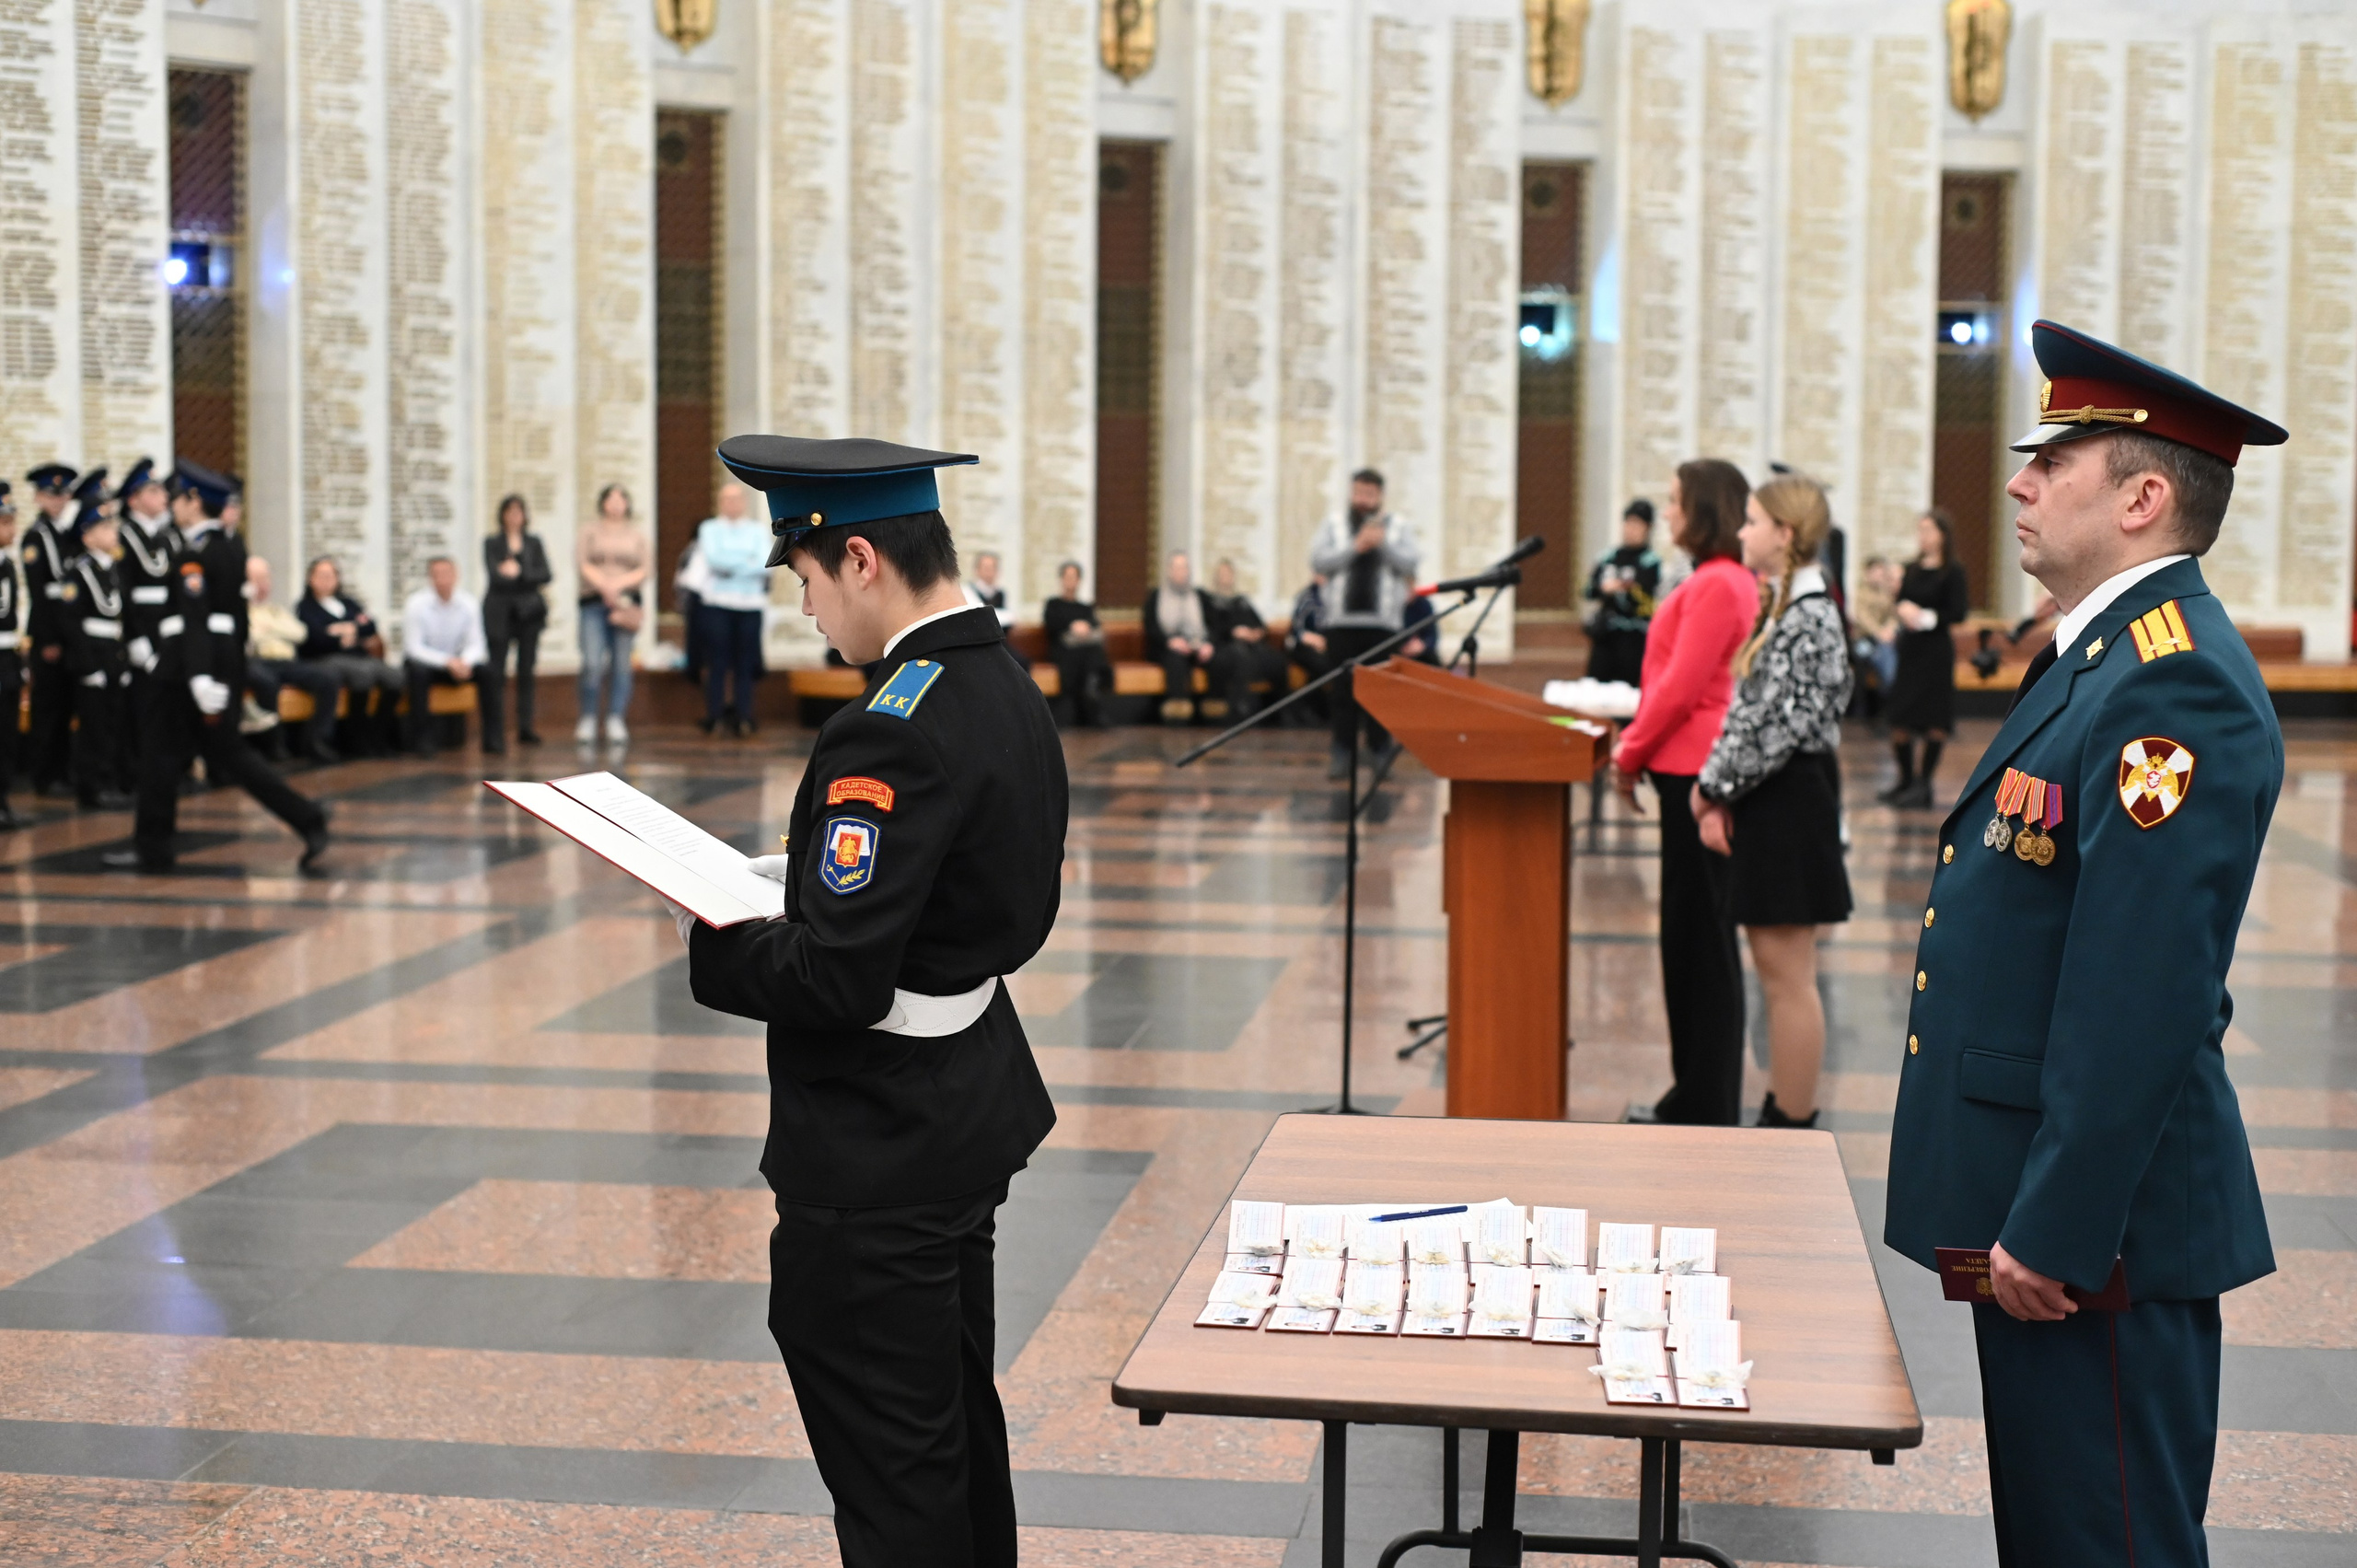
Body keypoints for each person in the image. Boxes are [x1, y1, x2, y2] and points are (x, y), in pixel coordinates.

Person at [1887, 320, 2288, 1566]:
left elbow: (2141, 992)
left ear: (2142, 497)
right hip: (2051, 1215)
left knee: (2109, 1541)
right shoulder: (2103, 656)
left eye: (2052, 460)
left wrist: (2055, 1226)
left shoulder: (2172, 683)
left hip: (2089, 1236)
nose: (2019, 480)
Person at [685, 432, 1063, 1568]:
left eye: (802, 578)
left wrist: (716, 928)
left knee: (893, 1473)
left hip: (877, 1146)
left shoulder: (889, 725)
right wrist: (794, 884)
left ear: (859, 559)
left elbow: (838, 977)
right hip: (960, 1111)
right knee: (948, 1432)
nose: (804, 608)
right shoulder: (995, 677)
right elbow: (965, 897)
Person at [1690, 473, 1853, 1130]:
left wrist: (1711, 788)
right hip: (1775, 796)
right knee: (1776, 972)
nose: (1742, 532)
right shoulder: (1791, 607)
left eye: (1753, 521)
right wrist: (1722, 786)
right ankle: (1783, 1108)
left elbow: (1774, 729)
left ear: (1784, 535)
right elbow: (1752, 712)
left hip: (1790, 800)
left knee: (1787, 979)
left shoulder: (1809, 616)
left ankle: (1791, 1120)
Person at [1609, 458, 1757, 1128]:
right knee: (1691, 939)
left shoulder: (1719, 584)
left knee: (1701, 943)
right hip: (1688, 767)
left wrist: (1628, 751)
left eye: (1674, 501)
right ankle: (1691, 1093)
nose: (1666, 512)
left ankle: (1703, 1101)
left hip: (1693, 770)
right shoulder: (1714, 580)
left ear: (1702, 509)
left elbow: (1680, 687)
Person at [108, 462, 329, 874]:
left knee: (169, 755)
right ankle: (305, 817)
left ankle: (153, 848)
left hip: (185, 671)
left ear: (194, 502)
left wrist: (199, 677)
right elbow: (231, 622)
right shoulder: (230, 546)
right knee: (213, 755)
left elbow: (196, 621)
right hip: (210, 666)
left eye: (178, 498)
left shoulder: (198, 553)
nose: (173, 505)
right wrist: (230, 670)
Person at [1309, 468, 1421, 778]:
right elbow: (1318, 561)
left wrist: (1381, 544)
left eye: (1369, 494)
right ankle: (1342, 753)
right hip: (1341, 623)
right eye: (1358, 492)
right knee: (1343, 691)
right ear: (1351, 493)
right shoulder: (1333, 524)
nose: (1363, 499)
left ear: (1380, 497)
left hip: (1383, 625)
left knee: (1381, 691)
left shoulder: (1397, 526)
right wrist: (1355, 547)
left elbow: (1410, 562)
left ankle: (1379, 750)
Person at [1882, 507, 1970, 807]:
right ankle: (1905, 781)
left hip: (1935, 650)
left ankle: (1924, 784)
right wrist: (1899, 604)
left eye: (1928, 530)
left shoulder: (1953, 571)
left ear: (1943, 535)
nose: (1923, 536)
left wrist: (1924, 617)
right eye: (1920, 530)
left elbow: (1957, 612)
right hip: (1911, 650)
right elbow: (1901, 600)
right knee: (1901, 718)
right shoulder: (1912, 568)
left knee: (1934, 718)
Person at [111, 460, 180, 793]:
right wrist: (135, 638)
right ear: (134, 499)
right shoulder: (124, 535)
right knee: (141, 707)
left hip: (167, 630)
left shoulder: (168, 535)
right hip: (140, 629)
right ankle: (137, 773)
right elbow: (123, 592)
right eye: (153, 491)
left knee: (167, 706)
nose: (163, 496)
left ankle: (166, 770)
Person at [58, 508, 132, 808]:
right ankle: (90, 788)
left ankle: (110, 780)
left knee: (114, 724)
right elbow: (71, 623)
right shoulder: (79, 572)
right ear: (88, 537)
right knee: (93, 727)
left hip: (114, 654)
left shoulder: (113, 569)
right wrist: (88, 666)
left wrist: (123, 661)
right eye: (104, 527)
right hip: (92, 656)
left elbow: (122, 618)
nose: (112, 532)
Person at [19, 464, 85, 796]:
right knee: (47, 708)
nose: (57, 501)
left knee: (65, 705)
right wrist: (48, 639)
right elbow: (40, 594)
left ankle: (63, 770)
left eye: (62, 495)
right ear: (38, 498)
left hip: (69, 630)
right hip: (49, 631)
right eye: (50, 495)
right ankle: (44, 774)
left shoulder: (66, 535)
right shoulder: (36, 537)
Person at [296, 556, 404, 756]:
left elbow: (369, 624)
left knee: (394, 677)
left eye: (331, 575)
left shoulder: (348, 603)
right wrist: (339, 638)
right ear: (310, 579)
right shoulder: (306, 607)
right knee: (362, 675)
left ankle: (378, 735)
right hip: (326, 658)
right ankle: (356, 739)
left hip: (358, 656)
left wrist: (349, 630)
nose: (326, 580)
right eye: (321, 575)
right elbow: (314, 637)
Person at [683, 482, 766, 737]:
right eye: (726, 499)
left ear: (743, 502)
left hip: (750, 605)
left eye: (736, 499)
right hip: (716, 604)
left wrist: (732, 566)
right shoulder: (709, 528)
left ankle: (743, 716)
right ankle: (714, 715)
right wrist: (745, 561)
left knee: (745, 662)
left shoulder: (757, 530)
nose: (732, 504)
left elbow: (764, 563)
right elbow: (714, 559)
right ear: (720, 503)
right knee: (716, 662)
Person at [243, 555, 343, 762]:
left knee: (328, 677)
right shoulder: (240, 609)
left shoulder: (275, 610)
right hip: (258, 661)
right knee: (266, 682)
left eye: (266, 579)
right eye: (257, 579)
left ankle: (315, 740)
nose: (263, 585)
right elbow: (250, 637)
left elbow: (300, 633)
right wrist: (275, 632)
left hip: (286, 662)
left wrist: (269, 629)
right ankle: (274, 744)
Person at [578, 482, 650, 745]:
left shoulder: (637, 535)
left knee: (621, 663)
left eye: (621, 498)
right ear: (602, 502)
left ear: (628, 504)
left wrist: (617, 585)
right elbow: (582, 562)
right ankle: (587, 716)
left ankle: (616, 717)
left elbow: (645, 568)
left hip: (626, 603)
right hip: (593, 602)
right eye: (611, 497)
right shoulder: (589, 531)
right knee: (592, 662)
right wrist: (604, 585)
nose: (616, 503)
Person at [481, 493, 552, 752]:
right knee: (497, 672)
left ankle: (525, 727)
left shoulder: (533, 543)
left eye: (518, 511)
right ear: (502, 515)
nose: (514, 516)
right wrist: (520, 578)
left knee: (526, 671)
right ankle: (495, 732)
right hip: (499, 613)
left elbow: (545, 573)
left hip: (528, 614)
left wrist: (519, 571)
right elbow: (495, 576)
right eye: (509, 511)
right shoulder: (492, 542)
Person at [401, 557, 487, 756]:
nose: (443, 580)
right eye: (437, 575)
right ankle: (422, 740)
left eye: (447, 574)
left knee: (488, 672)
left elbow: (477, 644)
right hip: (429, 664)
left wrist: (464, 662)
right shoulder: (416, 604)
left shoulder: (469, 603)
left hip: (458, 663)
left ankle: (493, 740)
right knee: (417, 672)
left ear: (456, 576)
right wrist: (447, 662)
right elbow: (414, 648)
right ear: (430, 579)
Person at [1585, 498, 1662, 686]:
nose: (1631, 529)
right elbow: (1589, 590)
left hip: (1634, 637)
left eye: (1638, 524)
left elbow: (1646, 599)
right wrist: (1606, 589)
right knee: (1595, 687)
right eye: (1629, 523)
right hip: (1606, 634)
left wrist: (1624, 588)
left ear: (1648, 528)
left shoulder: (1651, 562)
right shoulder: (1608, 557)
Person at [1141, 550, 1214, 725]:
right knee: (1175, 659)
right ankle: (1178, 710)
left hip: (1197, 644)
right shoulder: (1156, 596)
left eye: (1185, 568)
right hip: (1166, 647)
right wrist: (1170, 642)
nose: (1181, 572)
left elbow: (1212, 624)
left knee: (1219, 659)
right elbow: (1150, 626)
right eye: (1177, 568)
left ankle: (1214, 708)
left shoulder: (1200, 596)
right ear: (1169, 570)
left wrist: (1207, 644)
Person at [1206, 558, 1285, 718]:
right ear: (1216, 577)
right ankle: (1241, 708)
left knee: (1277, 660)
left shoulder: (1242, 602)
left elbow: (1260, 625)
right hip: (1226, 649)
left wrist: (1256, 633)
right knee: (1241, 656)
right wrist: (1234, 633)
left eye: (1229, 574)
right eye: (1222, 574)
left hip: (1252, 646)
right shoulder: (1210, 602)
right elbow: (1212, 630)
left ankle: (1282, 710)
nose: (1226, 577)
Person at [1041, 559, 1111, 727]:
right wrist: (1072, 626)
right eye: (1067, 577)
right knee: (1081, 656)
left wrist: (1085, 628)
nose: (1070, 581)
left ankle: (1091, 688)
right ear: (1061, 579)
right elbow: (1051, 625)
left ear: (1079, 580)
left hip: (1084, 652)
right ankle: (1088, 695)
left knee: (1091, 652)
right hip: (1064, 652)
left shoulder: (1085, 608)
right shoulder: (1053, 604)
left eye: (1074, 577)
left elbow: (1096, 627)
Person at [0, 485, 25, 829]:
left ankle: (3, 797)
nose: (12, 530)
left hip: (7, 656)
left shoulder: (7, 563)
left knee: (6, 732)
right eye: (5, 523)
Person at [1284, 573, 1331, 725]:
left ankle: (1324, 711)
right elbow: (1297, 629)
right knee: (1320, 665)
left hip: (1327, 646)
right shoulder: (1306, 597)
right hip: (1302, 646)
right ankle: (1311, 711)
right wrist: (1314, 640)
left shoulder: (1334, 597)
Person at [966, 550, 1017, 629]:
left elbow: (1012, 617)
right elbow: (979, 618)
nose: (989, 572)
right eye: (986, 568)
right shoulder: (968, 592)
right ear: (977, 570)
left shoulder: (1001, 593)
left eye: (993, 567)